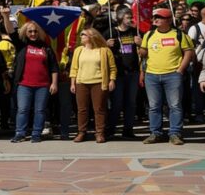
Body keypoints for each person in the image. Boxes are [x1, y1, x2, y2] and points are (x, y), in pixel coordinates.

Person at [1, 7, 59, 143]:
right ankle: (20, 133)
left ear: (39, 32)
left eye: (35, 31)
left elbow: (54, 67)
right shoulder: (21, 44)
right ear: (25, 33)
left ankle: (36, 134)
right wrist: (5, 16)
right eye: (30, 31)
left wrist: (54, 83)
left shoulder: (46, 47)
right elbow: (10, 31)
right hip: (24, 85)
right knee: (22, 110)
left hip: (43, 86)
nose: (33, 33)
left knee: (40, 110)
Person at [140, 8, 195, 145]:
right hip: (152, 75)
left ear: (169, 20)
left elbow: (188, 52)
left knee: (175, 106)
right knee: (154, 106)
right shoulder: (149, 34)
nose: (156, 20)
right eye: (155, 17)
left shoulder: (179, 34)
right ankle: (155, 133)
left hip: (172, 75)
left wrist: (180, 70)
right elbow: (143, 54)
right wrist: (140, 47)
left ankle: (175, 133)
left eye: (160, 17)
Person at [69, 28, 117, 143]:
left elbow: (112, 68)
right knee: (82, 109)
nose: (81, 36)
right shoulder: (78, 50)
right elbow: (74, 68)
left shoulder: (104, 50)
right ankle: (81, 132)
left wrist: (112, 80)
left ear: (91, 37)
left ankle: (100, 133)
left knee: (99, 109)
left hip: (99, 83)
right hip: (81, 82)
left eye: (83, 35)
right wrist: (72, 83)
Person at [104, 8, 141, 139]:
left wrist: (141, 43)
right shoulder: (111, 32)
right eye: (127, 17)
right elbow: (99, 49)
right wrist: (106, 44)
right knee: (116, 102)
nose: (130, 20)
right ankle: (110, 129)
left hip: (133, 72)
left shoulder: (135, 32)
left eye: (131, 17)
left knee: (131, 103)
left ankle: (128, 130)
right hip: (117, 73)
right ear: (120, 18)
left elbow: (144, 49)